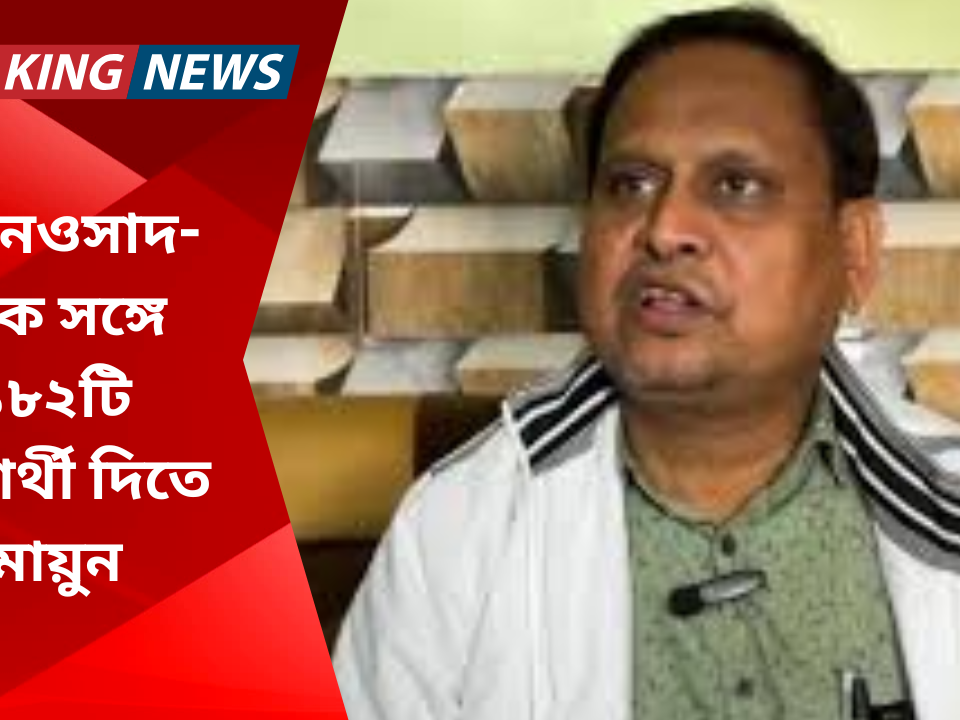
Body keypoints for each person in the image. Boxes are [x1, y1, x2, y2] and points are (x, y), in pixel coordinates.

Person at [331, 6, 960, 720]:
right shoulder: (459, 530)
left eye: (736, 185)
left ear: (854, 250)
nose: (664, 229)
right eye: (630, 185)